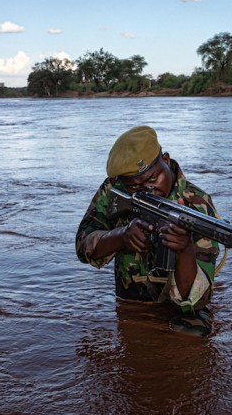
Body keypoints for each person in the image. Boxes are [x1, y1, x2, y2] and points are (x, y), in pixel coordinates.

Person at [75, 126, 221, 336]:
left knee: (194, 333)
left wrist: (184, 249)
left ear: (166, 160)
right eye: (135, 186)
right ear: (122, 183)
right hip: (129, 303)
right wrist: (122, 237)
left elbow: (199, 301)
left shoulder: (198, 206)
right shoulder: (114, 191)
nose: (149, 190)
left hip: (180, 310)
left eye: (154, 179)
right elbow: (82, 247)